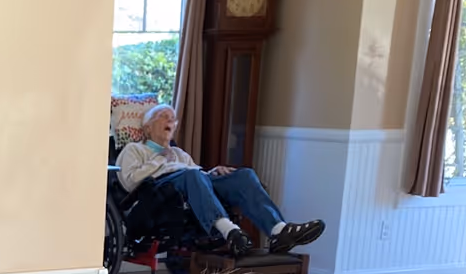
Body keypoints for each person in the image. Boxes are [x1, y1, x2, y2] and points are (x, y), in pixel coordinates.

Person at [118, 103, 325, 254]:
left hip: (190, 189)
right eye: (163, 116)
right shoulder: (134, 150)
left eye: (173, 118)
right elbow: (129, 181)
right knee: (192, 174)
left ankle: (279, 230)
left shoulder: (181, 154)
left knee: (244, 175)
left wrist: (212, 172)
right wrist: (158, 160)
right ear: (147, 127)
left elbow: (198, 180)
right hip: (159, 195)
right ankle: (230, 231)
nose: (170, 121)